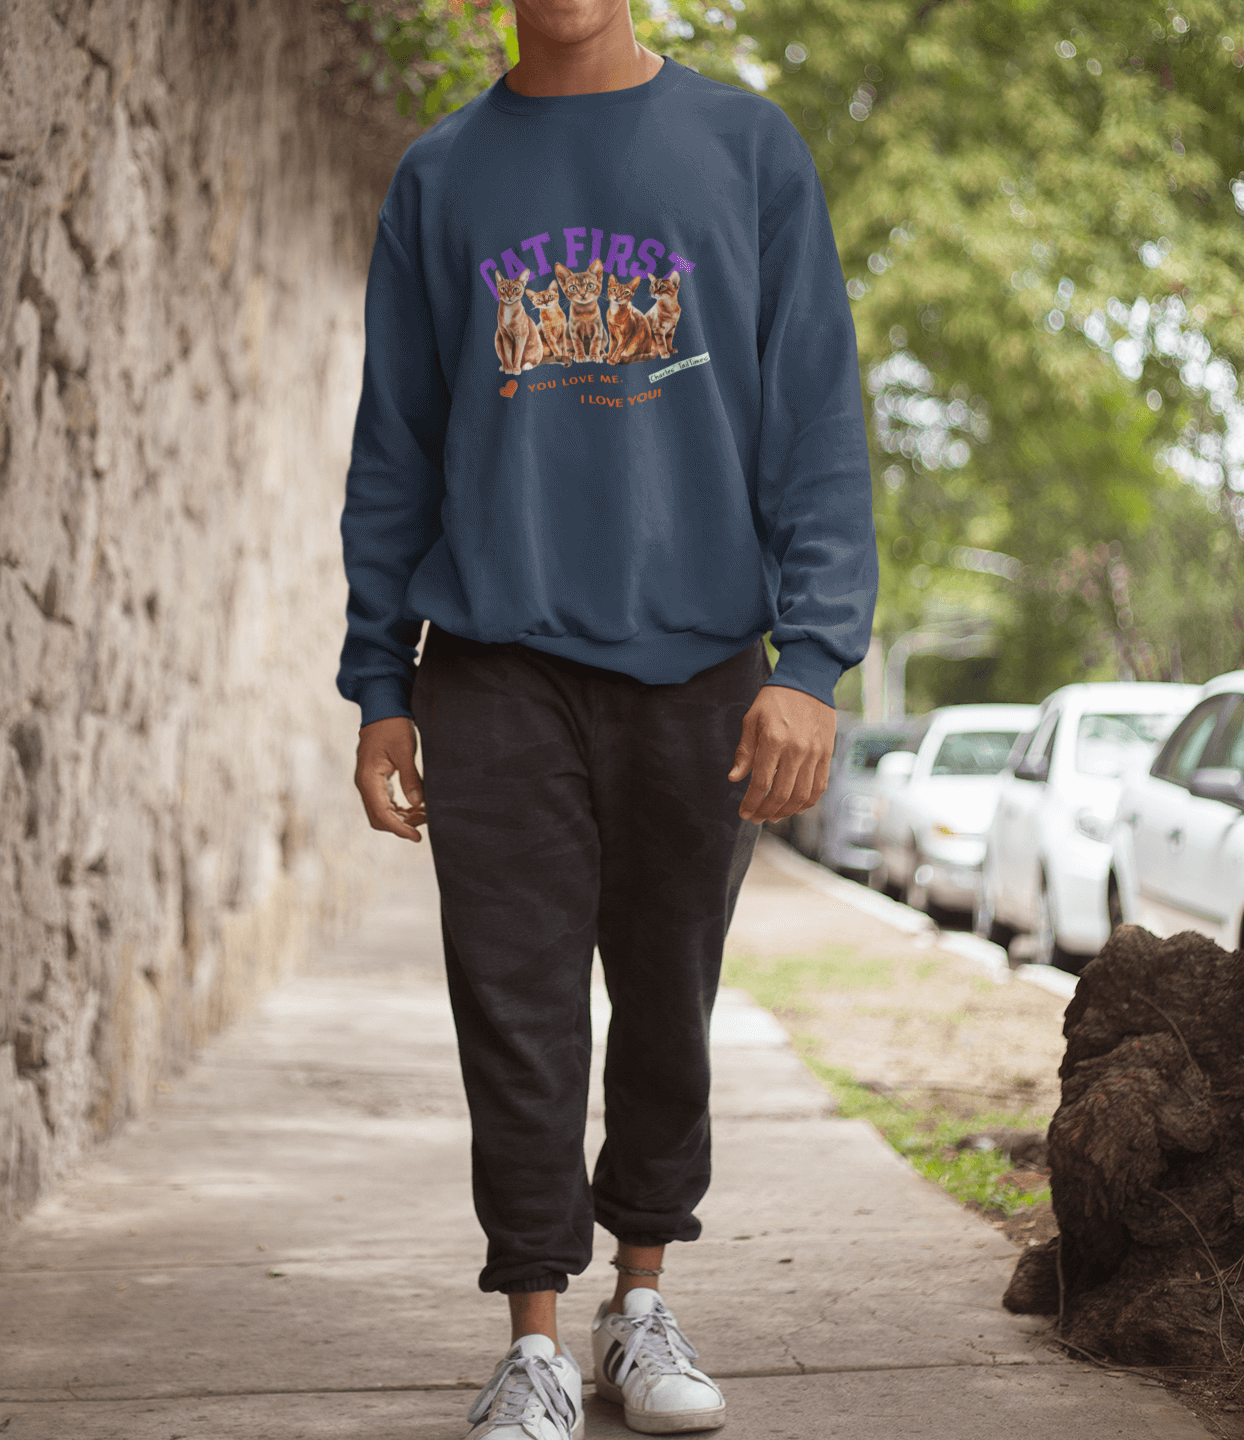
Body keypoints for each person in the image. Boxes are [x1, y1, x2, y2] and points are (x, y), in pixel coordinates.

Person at [335, 0, 877, 1429]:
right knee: (512, 1008)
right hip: (497, 659)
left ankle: (642, 1303)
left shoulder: (745, 146)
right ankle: (532, 1337)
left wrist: (809, 662)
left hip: (699, 660)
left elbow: (813, 414)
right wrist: (380, 685)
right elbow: (394, 441)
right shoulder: (442, 177)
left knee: (666, 1002)